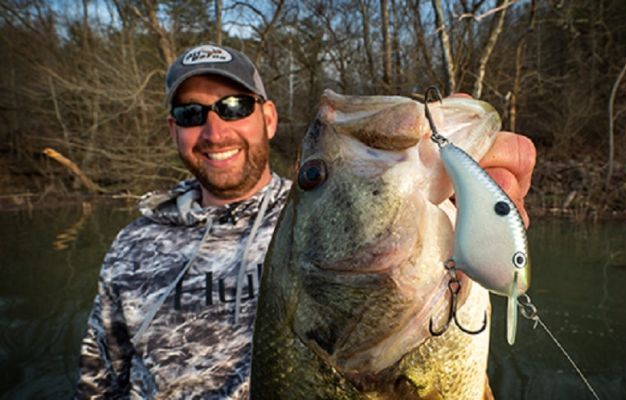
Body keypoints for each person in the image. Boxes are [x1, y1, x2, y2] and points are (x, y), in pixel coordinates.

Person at [74, 43, 536, 399]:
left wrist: (470, 199)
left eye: (234, 106)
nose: (215, 131)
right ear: (173, 129)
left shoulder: (301, 219)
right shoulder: (131, 246)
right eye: (191, 113)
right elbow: (100, 383)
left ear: (268, 117)